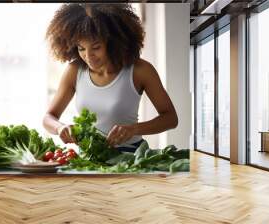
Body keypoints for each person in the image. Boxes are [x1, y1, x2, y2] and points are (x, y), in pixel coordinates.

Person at [42, 3, 178, 153]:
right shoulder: (75, 71)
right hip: (89, 157)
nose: (88, 56)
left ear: (113, 42)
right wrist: (60, 127)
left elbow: (170, 118)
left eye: (96, 47)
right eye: (81, 48)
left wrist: (134, 129)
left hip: (131, 155)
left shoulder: (140, 70)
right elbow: (48, 117)